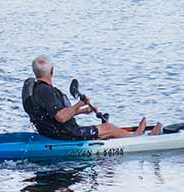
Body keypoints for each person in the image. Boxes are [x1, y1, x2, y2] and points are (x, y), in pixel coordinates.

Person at [21, 55, 161, 140]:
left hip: (57, 132)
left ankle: (132, 135)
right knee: (108, 127)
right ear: (52, 71)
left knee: (105, 131)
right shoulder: (46, 92)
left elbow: (55, 115)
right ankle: (137, 139)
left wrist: (82, 110)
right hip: (66, 135)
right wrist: (79, 103)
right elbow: (61, 117)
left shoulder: (39, 89)